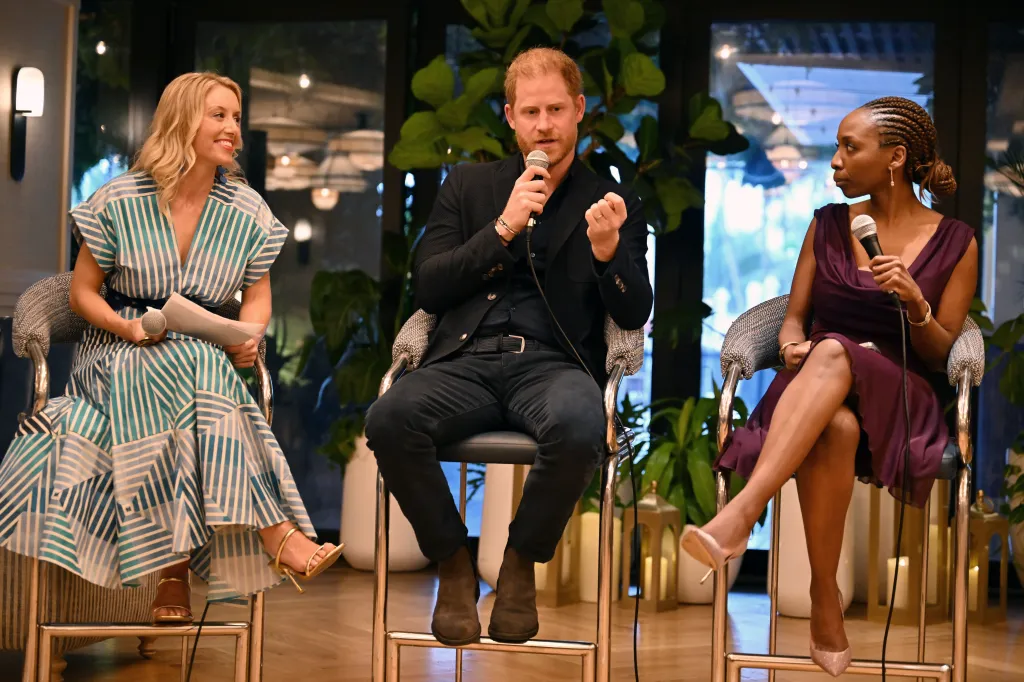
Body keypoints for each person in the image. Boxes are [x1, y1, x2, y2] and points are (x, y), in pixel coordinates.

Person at [0, 72, 343, 624]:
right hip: (117, 350)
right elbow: (82, 292)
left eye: (235, 116)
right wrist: (126, 327)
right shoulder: (119, 199)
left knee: (196, 361)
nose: (233, 128)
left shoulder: (246, 209)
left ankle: (173, 573)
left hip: (200, 348)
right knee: (190, 365)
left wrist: (248, 337)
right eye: (219, 115)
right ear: (183, 119)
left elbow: (257, 301)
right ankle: (276, 534)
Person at [365, 47, 652, 646]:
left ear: (578, 110)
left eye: (554, 109)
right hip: (463, 361)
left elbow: (633, 310)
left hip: (552, 365)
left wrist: (607, 256)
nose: (543, 125)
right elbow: (430, 285)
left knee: (580, 425)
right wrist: (503, 228)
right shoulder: (468, 187)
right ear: (510, 117)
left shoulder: (611, 200)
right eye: (530, 112)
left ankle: (520, 563)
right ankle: (453, 564)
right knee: (389, 419)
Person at [681, 96, 977, 677]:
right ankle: (824, 599)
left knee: (836, 348)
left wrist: (917, 303)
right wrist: (791, 343)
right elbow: (795, 317)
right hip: (814, 393)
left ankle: (740, 514)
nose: (836, 162)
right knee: (834, 415)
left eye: (850, 147)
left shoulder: (956, 241)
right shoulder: (826, 225)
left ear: (895, 158)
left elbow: (942, 355)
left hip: (899, 397)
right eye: (838, 148)